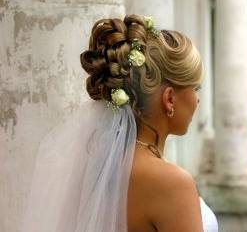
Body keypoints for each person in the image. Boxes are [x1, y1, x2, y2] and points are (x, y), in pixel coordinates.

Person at [21, 14, 219, 232]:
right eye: (195, 88)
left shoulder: (97, 168)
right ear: (170, 98)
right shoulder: (172, 183)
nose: (197, 99)